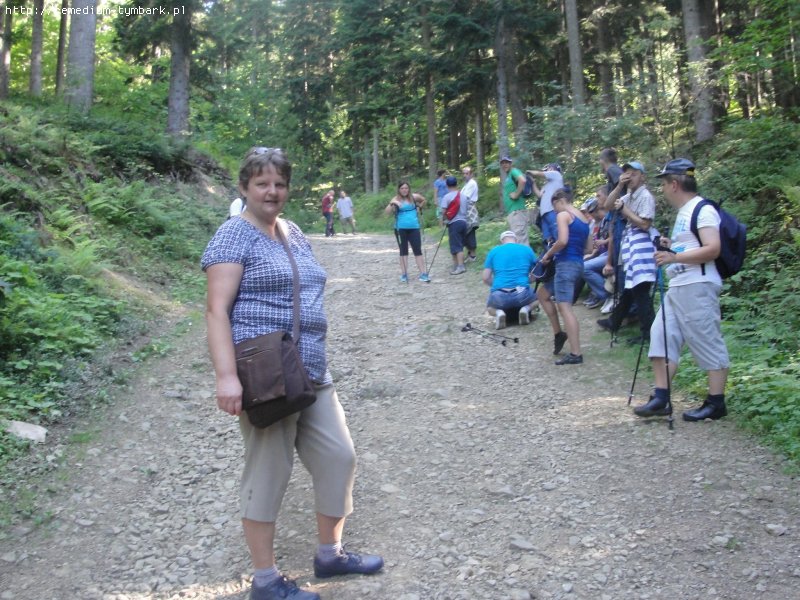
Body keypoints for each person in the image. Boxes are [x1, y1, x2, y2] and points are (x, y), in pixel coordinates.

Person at [202, 147, 383, 600]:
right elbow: (216, 310)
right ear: (244, 187)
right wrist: (226, 377)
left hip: (310, 370)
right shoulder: (233, 235)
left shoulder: (293, 231)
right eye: (261, 183)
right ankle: (265, 581)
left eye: (279, 184)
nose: (272, 191)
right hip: (266, 373)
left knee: (339, 456)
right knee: (268, 472)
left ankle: (330, 554)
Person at [633, 158, 730, 422]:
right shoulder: (686, 212)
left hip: (697, 285)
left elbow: (713, 249)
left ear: (674, 184)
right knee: (661, 335)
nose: (663, 189)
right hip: (679, 285)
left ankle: (716, 403)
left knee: (706, 338)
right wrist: (672, 247)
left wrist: (673, 257)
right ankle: (661, 397)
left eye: (664, 184)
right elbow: (692, 246)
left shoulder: (703, 209)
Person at [597, 161, 656, 345]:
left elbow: (645, 224)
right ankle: (615, 322)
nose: (630, 177)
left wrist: (625, 210)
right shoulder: (628, 195)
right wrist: (619, 186)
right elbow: (607, 205)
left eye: (634, 174)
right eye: (627, 174)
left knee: (640, 291)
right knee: (631, 289)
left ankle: (649, 333)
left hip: (642, 248)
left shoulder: (645, 196)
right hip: (631, 247)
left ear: (643, 177)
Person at [538, 190, 590, 365]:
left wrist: (548, 254)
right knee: (542, 294)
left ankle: (576, 353)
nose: (554, 211)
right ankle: (558, 334)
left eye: (554, 206)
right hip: (578, 264)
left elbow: (562, 241)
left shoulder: (563, 215)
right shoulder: (584, 219)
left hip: (565, 265)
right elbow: (589, 248)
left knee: (565, 308)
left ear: (560, 201)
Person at [482, 230, 538, 330]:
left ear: (502, 241)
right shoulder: (527, 250)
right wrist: (526, 281)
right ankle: (525, 309)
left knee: (489, 308)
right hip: (522, 293)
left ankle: (498, 313)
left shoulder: (493, 252)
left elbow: (485, 278)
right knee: (538, 299)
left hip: (499, 295)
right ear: (516, 240)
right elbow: (536, 274)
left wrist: (496, 286)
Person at [385, 181, 430, 282]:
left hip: (414, 227)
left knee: (417, 250)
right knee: (403, 251)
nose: (404, 190)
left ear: (409, 189)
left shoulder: (414, 197)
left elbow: (423, 200)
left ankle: (423, 274)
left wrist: (419, 207)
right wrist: (393, 203)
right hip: (400, 228)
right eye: (402, 188)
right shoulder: (396, 199)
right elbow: (387, 212)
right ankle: (404, 274)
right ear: (399, 190)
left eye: (406, 188)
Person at [581, 190, 611, 310]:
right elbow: (595, 243)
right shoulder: (599, 223)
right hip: (602, 254)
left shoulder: (610, 218)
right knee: (581, 264)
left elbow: (615, 238)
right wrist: (593, 252)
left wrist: (604, 242)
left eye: (596, 211)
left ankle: (607, 294)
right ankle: (600, 294)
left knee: (584, 267)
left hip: (610, 254)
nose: (593, 214)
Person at [440, 175, 474, 275]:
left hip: (454, 223)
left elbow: (443, 212)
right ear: (456, 184)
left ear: (447, 185)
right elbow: (467, 209)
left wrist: (445, 220)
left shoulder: (447, 197)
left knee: (456, 246)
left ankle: (460, 266)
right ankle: (456, 265)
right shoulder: (463, 196)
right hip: (464, 222)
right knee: (459, 244)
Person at [528, 163, 564, 245]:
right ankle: (550, 251)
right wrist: (533, 183)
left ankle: (560, 251)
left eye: (548, 169)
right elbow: (539, 195)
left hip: (552, 211)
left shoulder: (557, 175)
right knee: (548, 238)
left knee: (556, 233)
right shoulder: (547, 185)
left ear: (552, 168)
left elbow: (540, 173)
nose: (547, 171)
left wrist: (529, 172)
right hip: (544, 214)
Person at [500, 156, 531, 247]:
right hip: (513, 212)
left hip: (517, 211)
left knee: (520, 240)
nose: (504, 165)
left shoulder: (514, 171)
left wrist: (516, 194)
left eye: (507, 162)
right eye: (503, 163)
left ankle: (525, 256)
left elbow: (522, 180)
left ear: (511, 163)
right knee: (517, 239)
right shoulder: (508, 176)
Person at [460, 166, 479, 262]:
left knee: (470, 231)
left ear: (471, 174)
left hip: (469, 209)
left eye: (467, 173)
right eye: (463, 173)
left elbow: (465, 197)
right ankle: (470, 253)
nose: (465, 175)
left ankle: (473, 255)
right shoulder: (466, 184)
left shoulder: (472, 183)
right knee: (466, 232)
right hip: (465, 209)